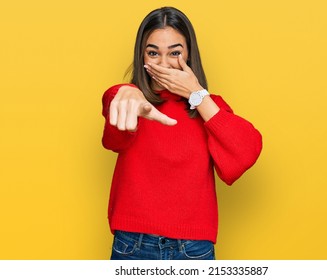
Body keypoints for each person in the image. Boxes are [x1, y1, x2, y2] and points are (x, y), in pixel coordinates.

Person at [101, 6, 262, 260]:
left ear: (189, 55)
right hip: (133, 244)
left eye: (174, 53)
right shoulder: (131, 102)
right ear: (141, 56)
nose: (163, 64)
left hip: (194, 249)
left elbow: (245, 154)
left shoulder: (209, 107)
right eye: (153, 53)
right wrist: (124, 93)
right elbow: (113, 133)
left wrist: (198, 95)